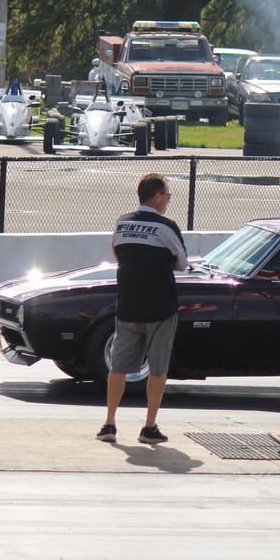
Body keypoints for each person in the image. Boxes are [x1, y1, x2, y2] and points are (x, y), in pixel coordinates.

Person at [96, 173, 188, 444]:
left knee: (118, 368)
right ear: (157, 196)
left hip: (127, 306)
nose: (168, 201)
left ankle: (109, 424)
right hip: (160, 308)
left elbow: (119, 254)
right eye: (168, 196)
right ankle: (149, 427)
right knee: (158, 370)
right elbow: (181, 263)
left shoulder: (121, 223)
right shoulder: (166, 227)